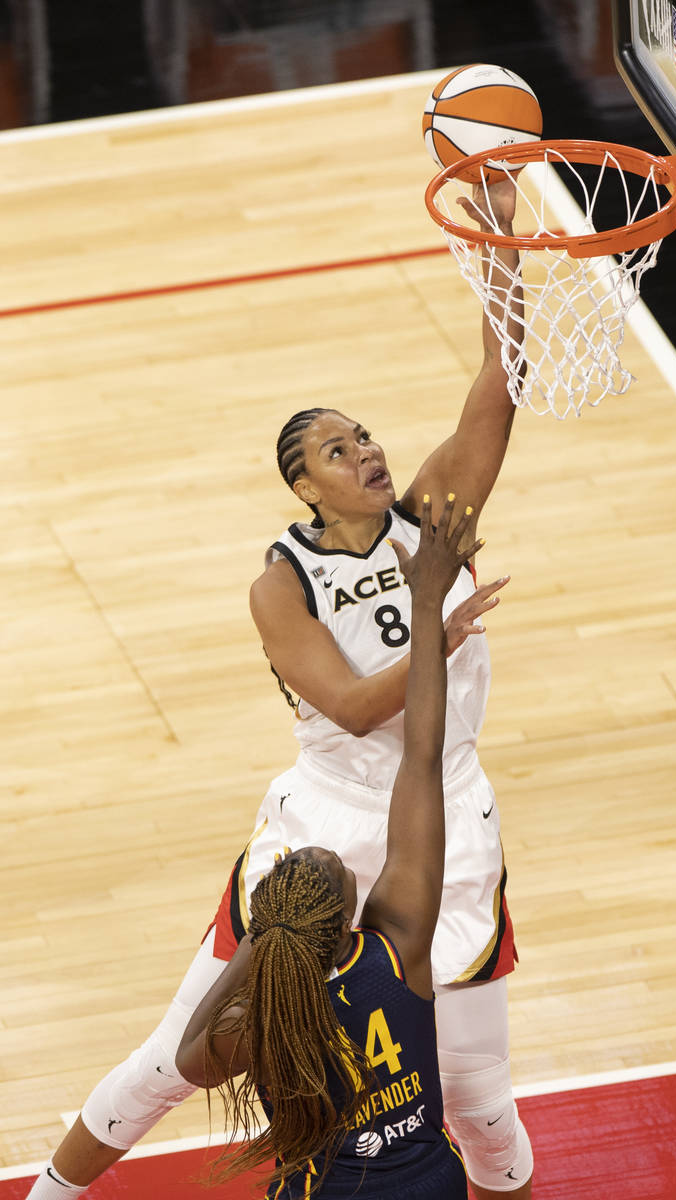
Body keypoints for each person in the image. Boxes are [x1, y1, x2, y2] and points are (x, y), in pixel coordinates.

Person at [27, 177, 532, 1200]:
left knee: (476, 1097)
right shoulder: (280, 584)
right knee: (173, 1064)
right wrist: (433, 624)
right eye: (337, 450)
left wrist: (499, 244)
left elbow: (500, 374)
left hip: (448, 812)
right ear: (304, 486)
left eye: (365, 435)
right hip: (327, 831)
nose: (367, 451)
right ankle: (51, 1191)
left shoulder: (427, 514)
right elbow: (350, 707)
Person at [175, 495, 477, 1199]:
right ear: (349, 916)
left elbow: (191, 1062)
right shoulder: (396, 946)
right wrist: (425, 608)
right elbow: (422, 757)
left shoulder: (264, 1020)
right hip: (433, 1185)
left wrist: (258, 939)